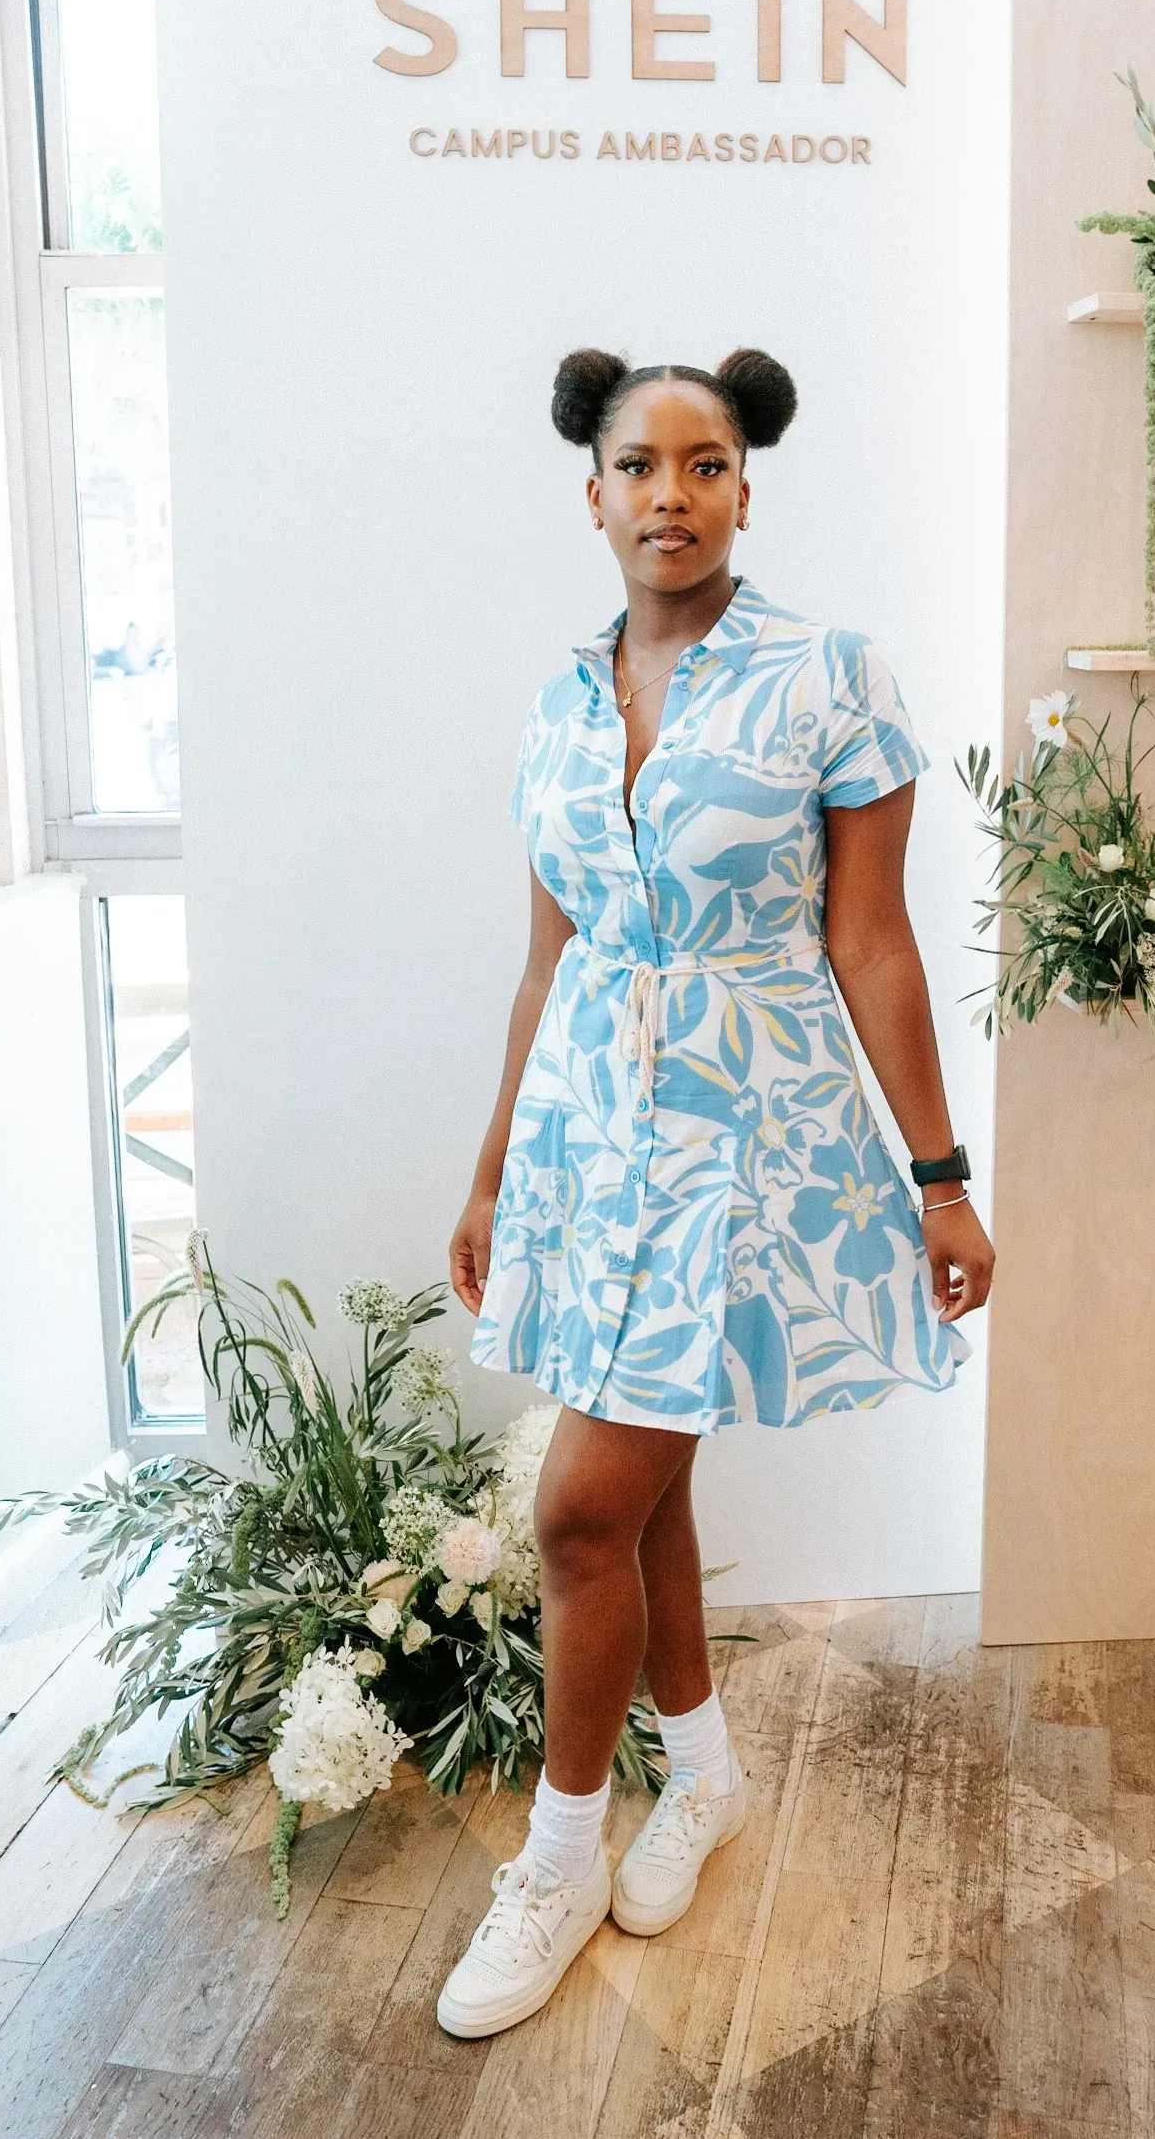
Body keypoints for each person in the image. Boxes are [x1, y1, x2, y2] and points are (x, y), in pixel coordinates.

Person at [437, 347, 994, 2039]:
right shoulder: (557, 701)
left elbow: (871, 941)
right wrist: (491, 1168)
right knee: (645, 1492)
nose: (668, 495)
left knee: (576, 1512)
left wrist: (940, 1180)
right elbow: (545, 962)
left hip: (745, 1145)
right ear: (591, 491)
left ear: (745, 486)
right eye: (638, 465)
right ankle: (703, 1775)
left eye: (703, 463)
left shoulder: (830, 676)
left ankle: (556, 1859)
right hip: (589, 1140)